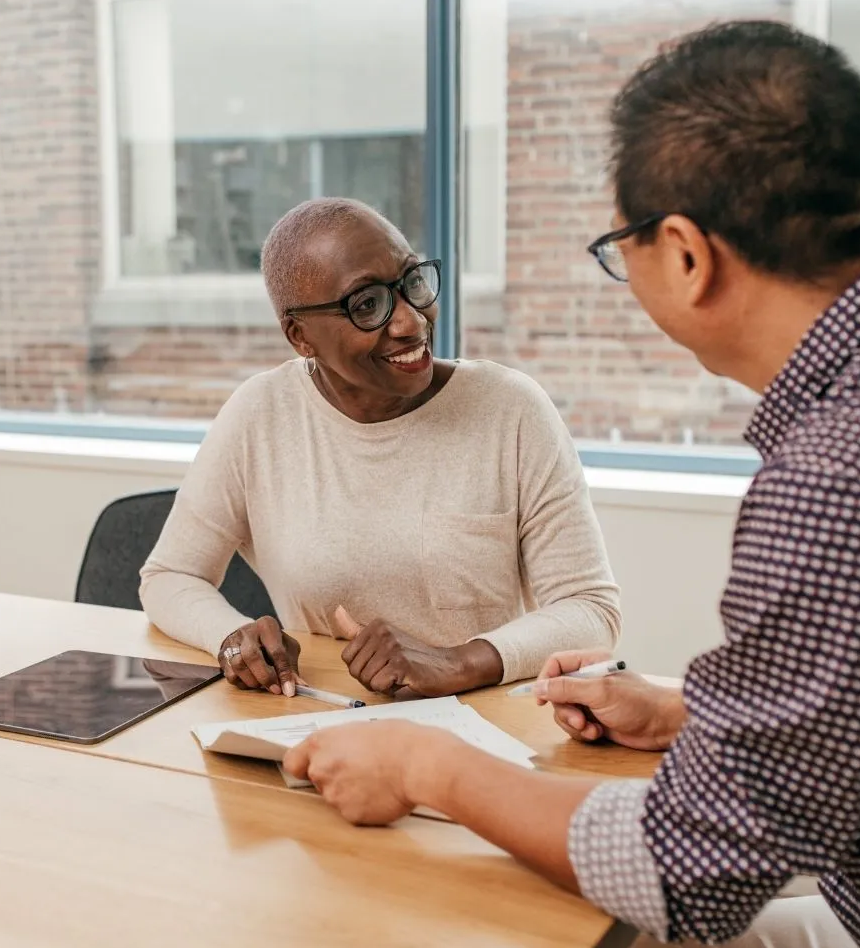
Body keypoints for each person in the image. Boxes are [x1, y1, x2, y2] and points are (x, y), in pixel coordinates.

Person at [282, 21, 860, 948]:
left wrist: (427, 767)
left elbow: (687, 871)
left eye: (623, 247)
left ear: (686, 255)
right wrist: (690, 714)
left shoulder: (842, 484)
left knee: (635, 922)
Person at [139, 198, 620, 699]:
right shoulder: (260, 415)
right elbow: (171, 575)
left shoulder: (511, 409)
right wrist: (231, 638)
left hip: (482, 725)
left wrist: (459, 662)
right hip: (317, 717)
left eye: (412, 282)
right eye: (366, 305)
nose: (411, 322)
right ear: (300, 336)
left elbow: (590, 610)